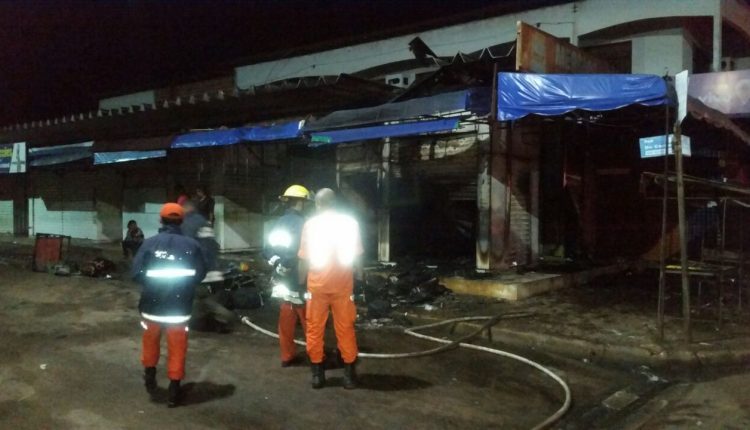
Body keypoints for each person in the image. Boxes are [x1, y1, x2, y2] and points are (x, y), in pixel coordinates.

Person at [131, 203, 207, 407]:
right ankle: (174, 390)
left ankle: (150, 377)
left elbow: (136, 273)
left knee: (150, 341)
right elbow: (200, 273)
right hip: (179, 308)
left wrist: (152, 284)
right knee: (178, 346)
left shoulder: (149, 243)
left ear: (160, 220)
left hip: (152, 306)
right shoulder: (192, 245)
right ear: (181, 221)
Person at [298, 188, 363, 389]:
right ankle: (349, 376)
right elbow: (358, 256)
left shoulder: (310, 225)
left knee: (314, 329)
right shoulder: (350, 223)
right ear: (334, 203)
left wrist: (300, 282)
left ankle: (318, 374)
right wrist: (360, 279)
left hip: (317, 287)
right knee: (345, 328)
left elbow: (304, 258)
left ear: (318, 204)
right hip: (343, 286)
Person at [264, 185, 311, 367]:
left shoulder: (279, 222)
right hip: (299, 278)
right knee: (309, 320)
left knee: (286, 318)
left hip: (282, 279)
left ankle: (287, 356)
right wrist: (286, 267)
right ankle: (316, 356)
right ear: (301, 202)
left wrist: (278, 265)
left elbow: (268, 249)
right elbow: (296, 252)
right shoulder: (302, 223)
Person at [182, 199, 235, 332]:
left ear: (186, 207)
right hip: (213, 268)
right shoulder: (203, 221)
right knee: (208, 297)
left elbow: (187, 246)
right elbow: (213, 246)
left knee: (200, 298)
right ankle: (218, 321)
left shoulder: (187, 223)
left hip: (199, 269)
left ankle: (225, 316)